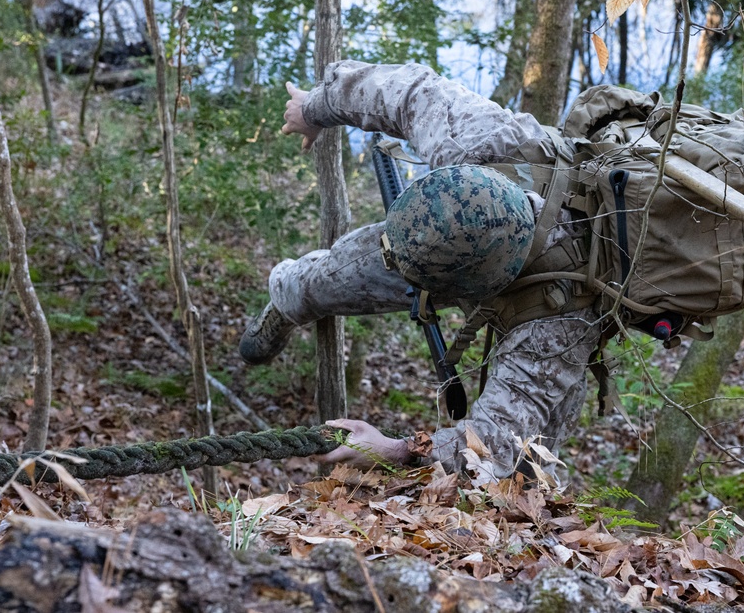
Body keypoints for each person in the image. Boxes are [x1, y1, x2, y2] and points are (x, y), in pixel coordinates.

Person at [241, 61, 604, 478]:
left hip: (548, 296)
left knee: (529, 464)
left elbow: (493, 443)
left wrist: (391, 450)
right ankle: (286, 300)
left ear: (462, 287)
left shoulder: (559, 328)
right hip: (446, 235)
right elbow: (403, 90)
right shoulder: (486, 142)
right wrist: (314, 108)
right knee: (324, 280)